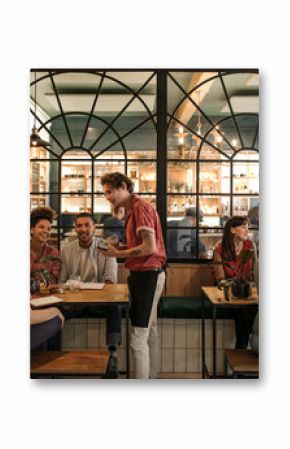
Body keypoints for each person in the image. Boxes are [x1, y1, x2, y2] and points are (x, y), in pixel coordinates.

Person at [100, 172, 166, 379]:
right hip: (148, 274)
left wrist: (117, 253)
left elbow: (149, 247)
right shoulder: (132, 211)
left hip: (148, 275)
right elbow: (138, 246)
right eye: (105, 193)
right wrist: (118, 245)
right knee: (149, 331)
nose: (108, 197)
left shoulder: (140, 208)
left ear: (123, 186)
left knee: (138, 336)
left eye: (110, 192)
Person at [59, 212, 122, 378]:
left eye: (87, 225)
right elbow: (62, 281)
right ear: (75, 228)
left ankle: (113, 353)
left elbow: (110, 280)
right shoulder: (67, 250)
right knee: (54, 310)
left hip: (99, 302)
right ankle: (53, 356)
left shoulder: (105, 248)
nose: (83, 229)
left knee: (115, 306)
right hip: (75, 302)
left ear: (94, 228)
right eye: (79, 226)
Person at [212, 215, 258, 349]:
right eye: (243, 227)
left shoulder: (250, 246)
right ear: (232, 230)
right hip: (229, 294)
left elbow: (255, 272)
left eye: (247, 227)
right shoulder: (219, 250)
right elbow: (220, 280)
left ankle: (243, 347)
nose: (247, 230)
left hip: (248, 292)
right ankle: (244, 348)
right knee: (242, 309)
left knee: (249, 308)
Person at [30, 207, 60, 288]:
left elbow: (53, 281)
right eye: (41, 227)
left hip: (47, 297)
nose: (46, 231)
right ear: (32, 230)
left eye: (48, 229)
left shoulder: (53, 253)